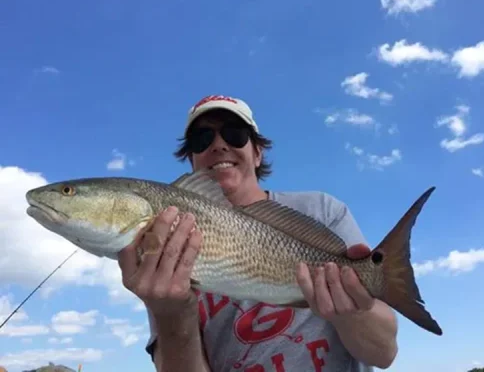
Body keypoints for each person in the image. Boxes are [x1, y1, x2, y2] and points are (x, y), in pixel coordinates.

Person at [118, 95, 399, 372]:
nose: (219, 145)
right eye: (202, 139)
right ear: (191, 159)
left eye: (235, 134)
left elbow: (384, 353)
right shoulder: (162, 244)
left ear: (257, 153)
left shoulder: (322, 211)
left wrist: (350, 311)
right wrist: (172, 315)